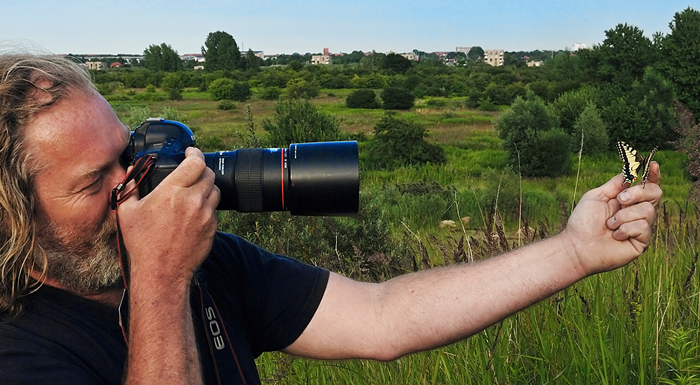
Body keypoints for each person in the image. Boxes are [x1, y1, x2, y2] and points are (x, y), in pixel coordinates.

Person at [0, 55, 662, 385]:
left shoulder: (210, 267)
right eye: (96, 182)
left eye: (128, 155)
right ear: (15, 215)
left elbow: (382, 316)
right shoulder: (19, 347)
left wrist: (573, 251)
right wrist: (161, 280)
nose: (133, 188)